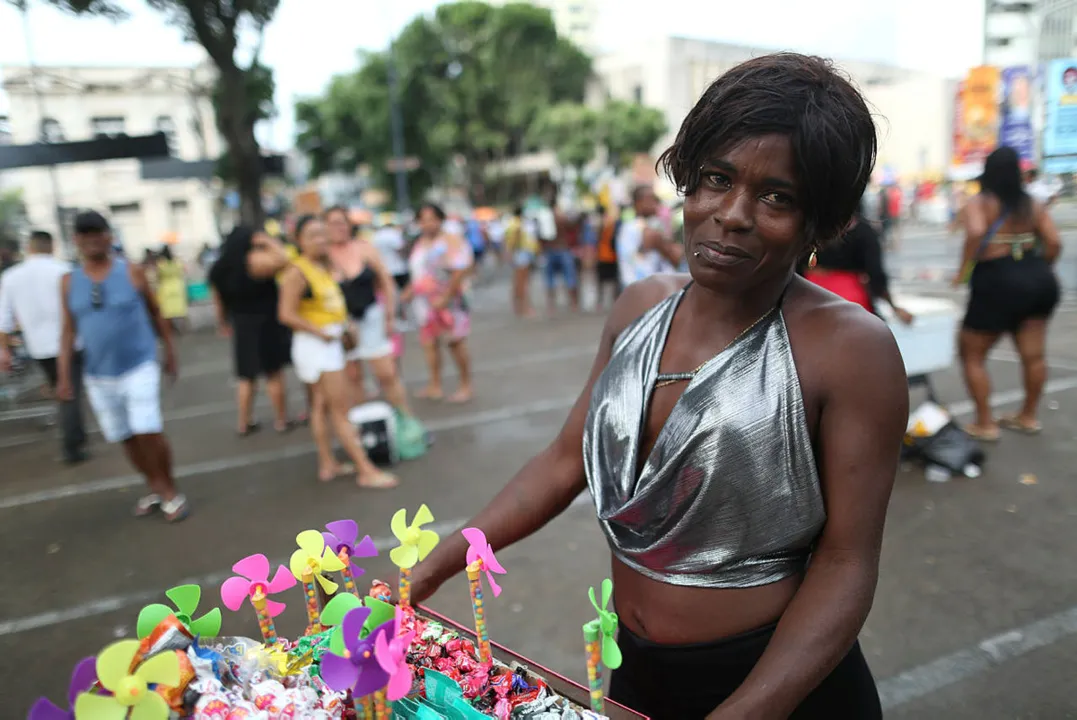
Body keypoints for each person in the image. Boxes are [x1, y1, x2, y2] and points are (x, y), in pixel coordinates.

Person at [409, 53, 907, 719]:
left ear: (823, 222)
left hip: (780, 687)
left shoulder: (850, 350)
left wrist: (746, 711)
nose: (730, 214)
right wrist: (429, 569)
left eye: (776, 197)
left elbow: (846, 564)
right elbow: (563, 462)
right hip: (634, 672)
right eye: (714, 179)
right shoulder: (639, 305)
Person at [59, 211, 187, 521]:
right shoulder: (67, 282)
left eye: (97, 232)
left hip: (139, 365)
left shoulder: (132, 272)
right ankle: (153, 485)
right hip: (98, 374)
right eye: (84, 234)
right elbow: (67, 330)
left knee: (148, 431)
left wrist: (169, 351)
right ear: (76, 240)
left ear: (108, 236)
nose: (91, 239)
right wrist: (64, 376)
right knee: (125, 436)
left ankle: (170, 490)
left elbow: (156, 313)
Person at [277, 214, 398, 489]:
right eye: (312, 236)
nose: (320, 240)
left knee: (321, 406)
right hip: (318, 346)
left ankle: (328, 463)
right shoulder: (298, 272)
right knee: (340, 410)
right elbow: (285, 313)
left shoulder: (320, 266)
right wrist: (322, 333)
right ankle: (366, 470)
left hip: (327, 343)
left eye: (323, 234)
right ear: (298, 241)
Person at [956, 146, 1062, 440]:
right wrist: (1039, 268)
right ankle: (1028, 416)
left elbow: (976, 232)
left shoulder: (980, 202)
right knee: (1034, 356)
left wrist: (963, 269)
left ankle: (985, 423)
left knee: (972, 354)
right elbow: (1054, 241)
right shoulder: (1033, 204)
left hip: (997, 281)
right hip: (1038, 280)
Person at [0, 230, 88, 464]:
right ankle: (72, 444)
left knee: (60, 389)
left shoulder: (10, 277)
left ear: (29, 247)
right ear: (51, 245)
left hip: (38, 346)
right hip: (70, 343)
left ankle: (75, 437)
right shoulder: (64, 270)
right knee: (69, 392)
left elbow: (4, 319)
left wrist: (5, 350)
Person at [324, 206, 414, 417]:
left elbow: (386, 282)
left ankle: (406, 419)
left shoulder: (364, 248)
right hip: (342, 325)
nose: (339, 228)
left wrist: (390, 315)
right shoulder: (323, 256)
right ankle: (363, 425)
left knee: (387, 373)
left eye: (342, 222)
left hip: (372, 317)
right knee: (353, 377)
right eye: (333, 223)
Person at [208, 226, 293, 435]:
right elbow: (284, 260)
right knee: (273, 373)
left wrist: (222, 323)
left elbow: (218, 301)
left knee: (246, 376)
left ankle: (244, 422)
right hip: (267, 322)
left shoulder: (219, 268)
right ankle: (281, 420)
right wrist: (268, 240)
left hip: (241, 323)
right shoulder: (256, 261)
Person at [804, 200, 915, 323]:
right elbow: (875, 274)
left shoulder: (806, 228)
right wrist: (893, 306)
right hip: (851, 298)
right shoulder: (863, 231)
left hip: (808, 296)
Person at [406, 204, 474, 403]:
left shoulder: (450, 241)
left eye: (432, 218)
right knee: (429, 344)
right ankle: (434, 385)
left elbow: (460, 270)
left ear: (440, 219)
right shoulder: (421, 243)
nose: (428, 223)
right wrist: (408, 292)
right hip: (426, 305)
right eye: (423, 219)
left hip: (450, 303)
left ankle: (465, 385)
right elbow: (420, 273)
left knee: (455, 343)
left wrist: (446, 297)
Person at [616, 185, 682, 287]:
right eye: (650, 199)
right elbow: (631, 261)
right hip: (640, 289)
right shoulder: (631, 228)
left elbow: (676, 257)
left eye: (655, 199)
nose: (654, 203)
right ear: (637, 203)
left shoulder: (657, 225)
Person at [502, 205, 537, 318]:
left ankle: (518, 307)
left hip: (518, 254)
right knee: (523, 283)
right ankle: (523, 308)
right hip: (521, 254)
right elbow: (515, 240)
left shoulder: (511, 223)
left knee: (518, 282)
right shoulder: (518, 224)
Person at [594, 205, 623, 309]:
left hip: (610, 256)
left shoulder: (612, 223)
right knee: (604, 281)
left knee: (611, 281)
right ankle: (603, 301)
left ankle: (610, 301)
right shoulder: (605, 223)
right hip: (605, 256)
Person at [155, 246, 188, 333]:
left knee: (168, 311)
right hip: (178, 286)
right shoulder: (177, 262)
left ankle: (171, 328)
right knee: (180, 309)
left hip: (166, 287)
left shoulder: (161, 264)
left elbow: (158, 276)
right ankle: (183, 327)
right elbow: (184, 270)